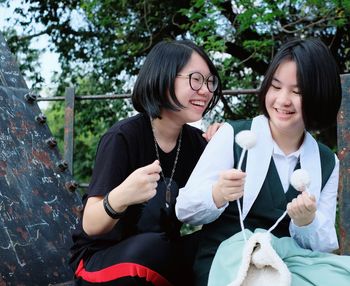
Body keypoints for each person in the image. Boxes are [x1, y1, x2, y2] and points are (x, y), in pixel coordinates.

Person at [175, 38, 348, 285]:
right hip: (229, 263)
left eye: (297, 91)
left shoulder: (325, 161)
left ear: (319, 94)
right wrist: (218, 193)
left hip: (290, 265)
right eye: (276, 87)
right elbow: (185, 209)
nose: (282, 100)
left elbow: (323, 245)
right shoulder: (232, 135)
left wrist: (307, 221)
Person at [69, 39, 222, 285]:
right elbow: (91, 224)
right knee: (152, 247)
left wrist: (224, 146)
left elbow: (217, 208)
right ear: (163, 79)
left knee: (222, 240)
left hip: (161, 254)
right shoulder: (123, 136)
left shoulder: (197, 143)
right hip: (101, 261)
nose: (205, 90)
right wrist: (122, 195)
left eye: (210, 81)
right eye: (196, 79)